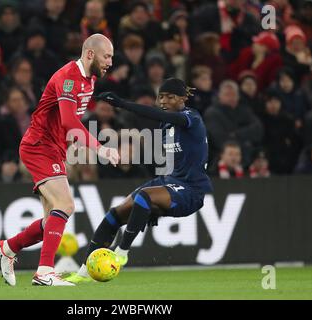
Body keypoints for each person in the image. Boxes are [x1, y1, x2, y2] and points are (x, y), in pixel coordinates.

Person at [0, 34, 119, 287]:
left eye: (112, 57)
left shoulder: (90, 80)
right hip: (39, 146)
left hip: (55, 148)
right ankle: (44, 271)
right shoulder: (68, 77)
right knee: (66, 204)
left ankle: (8, 248)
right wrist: (99, 149)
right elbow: (69, 121)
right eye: (107, 56)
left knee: (52, 219)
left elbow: (68, 124)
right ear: (90, 54)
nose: (110, 62)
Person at [64, 78, 213, 284]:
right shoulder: (166, 124)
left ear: (183, 99)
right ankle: (84, 273)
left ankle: (122, 253)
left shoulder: (191, 117)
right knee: (114, 214)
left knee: (144, 196)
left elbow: (155, 114)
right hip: (170, 180)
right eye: (161, 96)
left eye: (170, 97)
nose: (164, 101)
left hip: (191, 190)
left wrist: (122, 104)